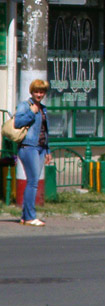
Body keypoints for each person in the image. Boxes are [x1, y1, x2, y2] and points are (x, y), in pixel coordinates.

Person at [13, 79, 50, 226]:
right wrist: (31, 113)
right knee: (33, 182)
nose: (39, 94)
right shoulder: (25, 105)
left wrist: (48, 150)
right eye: (36, 91)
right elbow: (17, 122)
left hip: (40, 147)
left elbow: (45, 131)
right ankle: (29, 217)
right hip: (28, 147)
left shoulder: (44, 108)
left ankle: (25, 216)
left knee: (33, 181)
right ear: (32, 92)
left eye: (41, 92)